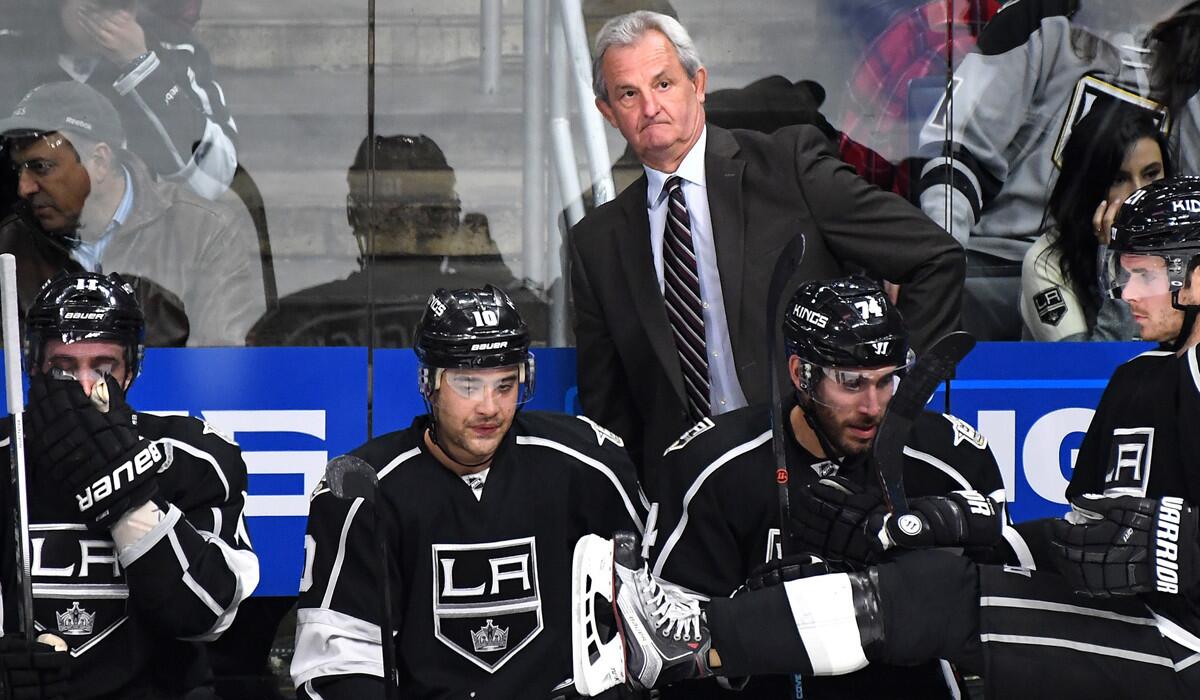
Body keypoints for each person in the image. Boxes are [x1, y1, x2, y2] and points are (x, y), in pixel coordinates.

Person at [570, 176, 1200, 699]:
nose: (1124, 294)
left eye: (1143, 274)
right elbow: (1089, 542)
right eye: (1125, 273)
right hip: (1137, 628)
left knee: (942, 597)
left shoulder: (950, 450)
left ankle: (689, 641)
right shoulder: (1137, 382)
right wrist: (928, 527)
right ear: (800, 375)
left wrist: (1170, 543)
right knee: (939, 589)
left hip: (1183, 645)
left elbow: (1130, 546)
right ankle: (690, 639)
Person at [570, 10, 965, 491]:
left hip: (823, 474)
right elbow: (609, 409)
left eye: (664, 83)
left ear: (698, 84)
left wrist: (893, 400)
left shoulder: (789, 168)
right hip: (694, 500)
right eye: (628, 93)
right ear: (607, 111)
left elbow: (935, 258)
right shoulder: (597, 242)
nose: (650, 106)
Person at [651, 276, 1014, 698]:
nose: (873, 407)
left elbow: (1007, 618)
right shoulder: (714, 465)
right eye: (852, 382)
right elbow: (666, 650)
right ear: (800, 374)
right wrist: (746, 617)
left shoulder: (952, 460)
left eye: (886, 381)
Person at [290, 285, 647, 699]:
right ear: (430, 383)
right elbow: (339, 666)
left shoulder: (589, 466)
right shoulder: (363, 491)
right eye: (468, 385)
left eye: (505, 384)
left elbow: (649, 621)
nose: (489, 408)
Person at [1, 270, 258, 698]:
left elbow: (205, 614)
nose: (84, 387)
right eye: (62, 368)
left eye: (103, 368)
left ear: (131, 370)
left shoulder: (193, 456)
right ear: (33, 365)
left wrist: (126, 490)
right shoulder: (6, 455)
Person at [915, 0, 1200, 340]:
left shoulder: (1191, 45)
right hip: (1004, 261)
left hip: (1139, 267)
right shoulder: (1038, 17)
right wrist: (939, 266)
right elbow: (956, 153)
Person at [0, 80, 265, 345]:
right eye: (19, 169)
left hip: (168, 387)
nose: (24, 188)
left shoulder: (203, 232)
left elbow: (221, 364)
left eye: (41, 167)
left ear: (100, 162)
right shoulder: (10, 244)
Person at [0, 0, 238, 202]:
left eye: (122, 5)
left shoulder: (175, 50)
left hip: (142, 242)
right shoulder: (10, 51)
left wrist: (143, 68)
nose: (114, 19)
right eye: (95, 9)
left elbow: (214, 178)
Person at [1020, 102, 1171, 340]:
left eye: (1151, 174)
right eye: (1119, 179)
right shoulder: (1045, 263)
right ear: (1088, 188)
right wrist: (1119, 261)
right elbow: (1087, 370)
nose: (1140, 193)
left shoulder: (1186, 244)